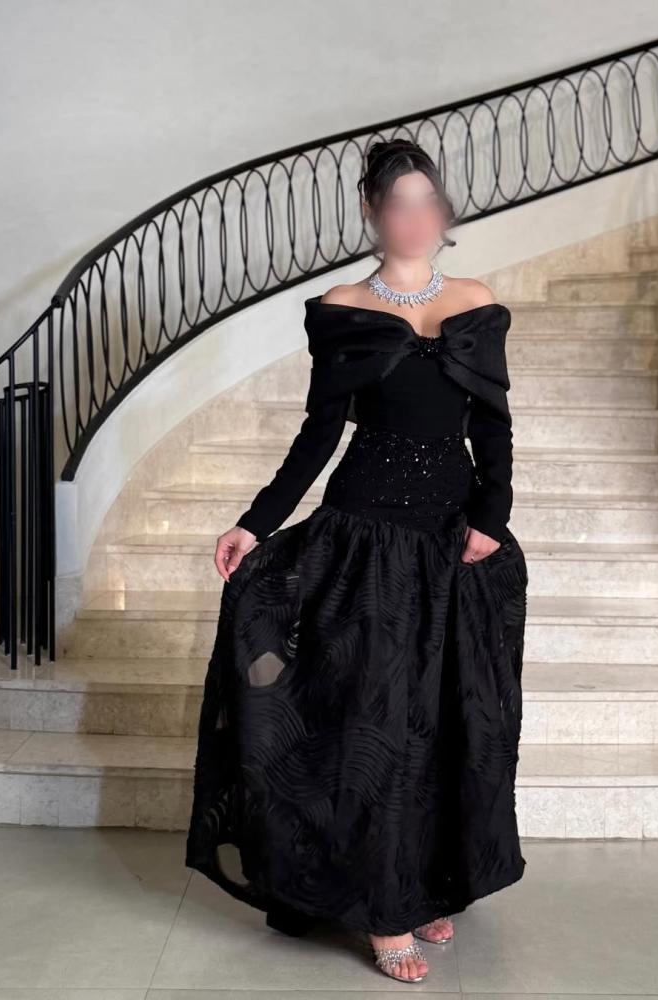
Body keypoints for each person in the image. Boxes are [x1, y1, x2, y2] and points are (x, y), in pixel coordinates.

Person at [185, 137, 528, 984]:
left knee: (443, 721)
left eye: (426, 201)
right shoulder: (342, 307)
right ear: (373, 212)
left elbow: (492, 427)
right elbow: (318, 434)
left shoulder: (477, 302)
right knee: (373, 725)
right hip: (364, 537)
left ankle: (419, 883)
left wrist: (492, 515)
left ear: (442, 211)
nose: (415, 217)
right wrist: (256, 524)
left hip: (451, 541)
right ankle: (382, 911)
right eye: (397, 202)